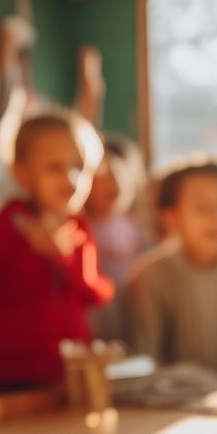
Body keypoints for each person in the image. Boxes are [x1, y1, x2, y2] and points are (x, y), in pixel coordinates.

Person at [0, 113, 112, 393]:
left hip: (63, 372)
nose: (71, 179)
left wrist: (64, 259)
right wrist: (30, 252)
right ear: (22, 173)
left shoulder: (78, 226)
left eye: (80, 167)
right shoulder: (12, 220)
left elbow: (94, 293)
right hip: (4, 373)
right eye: (55, 168)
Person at [126, 160, 217, 371]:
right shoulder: (151, 275)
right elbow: (145, 356)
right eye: (202, 208)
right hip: (168, 396)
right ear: (171, 217)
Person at [85, 133, 149, 342]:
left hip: (130, 313)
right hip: (94, 315)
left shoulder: (137, 229)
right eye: (105, 174)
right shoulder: (82, 227)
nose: (115, 182)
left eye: (122, 174)